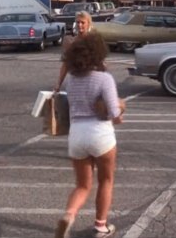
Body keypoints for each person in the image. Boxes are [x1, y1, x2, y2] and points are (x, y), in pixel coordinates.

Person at [55, 32, 122, 238]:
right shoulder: (104, 79)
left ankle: (69, 215)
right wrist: (122, 107)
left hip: (77, 134)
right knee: (106, 181)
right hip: (100, 134)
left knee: (82, 185)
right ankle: (101, 226)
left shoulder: (72, 80)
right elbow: (114, 113)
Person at [55, 11, 97, 91]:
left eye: (82, 22)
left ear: (88, 24)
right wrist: (58, 83)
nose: (80, 25)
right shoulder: (70, 42)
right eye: (78, 22)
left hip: (91, 83)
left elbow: (100, 64)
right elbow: (65, 65)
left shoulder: (93, 42)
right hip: (75, 82)